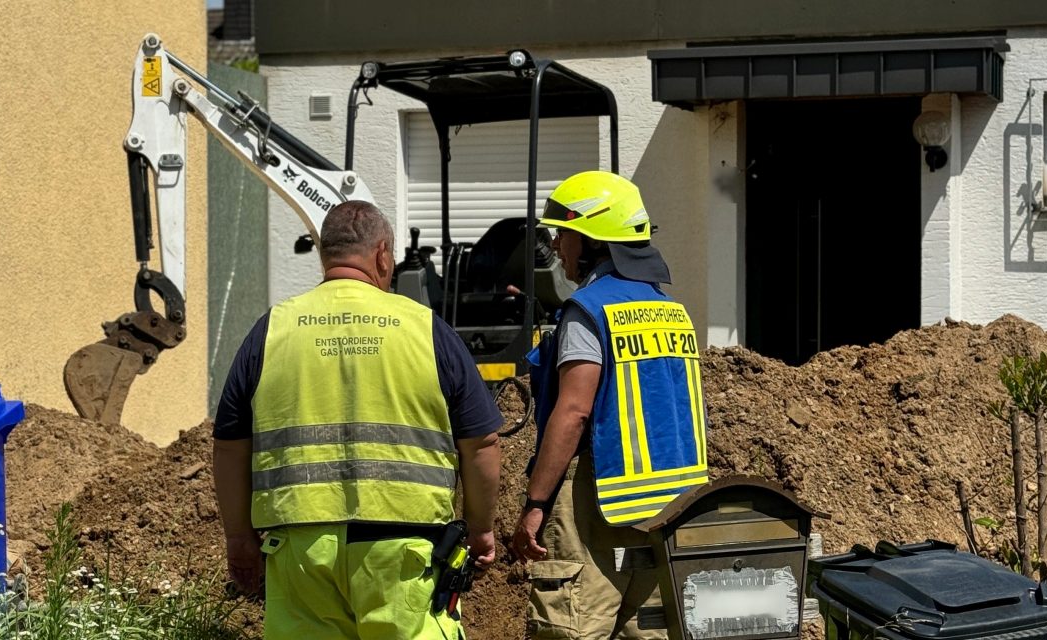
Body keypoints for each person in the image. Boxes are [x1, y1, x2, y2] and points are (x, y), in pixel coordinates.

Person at [213, 200, 503, 639]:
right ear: (383, 254)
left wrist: (239, 539)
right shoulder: (427, 329)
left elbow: (230, 447)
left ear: (324, 254)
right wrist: (480, 529)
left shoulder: (271, 330)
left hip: (300, 550)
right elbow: (481, 444)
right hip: (403, 551)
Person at [512, 172, 708, 639]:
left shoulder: (589, 310)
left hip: (597, 499)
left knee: (573, 625)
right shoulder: (670, 309)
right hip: (670, 503)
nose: (558, 247)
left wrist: (536, 503)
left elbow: (574, 411)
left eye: (564, 234)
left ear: (592, 239)